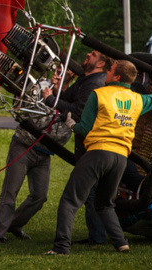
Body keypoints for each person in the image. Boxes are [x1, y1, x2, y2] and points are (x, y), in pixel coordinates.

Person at [45, 61, 152, 255]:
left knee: (69, 201)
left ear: (116, 77)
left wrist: (71, 123)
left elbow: (85, 128)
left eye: (110, 70)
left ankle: (61, 246)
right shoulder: (137, 99)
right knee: (105, 203)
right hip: (120, 158)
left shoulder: (98, 95)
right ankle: (121, 243)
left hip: (98, 153)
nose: (106, 72)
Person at [41, 50, 112, 245]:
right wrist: (58, 88)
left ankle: (98, 238)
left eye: (94, 54)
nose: (88, 54)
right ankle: (103, 237)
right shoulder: (85, 80)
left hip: (94, 146)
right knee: (92, 194)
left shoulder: (94, 84)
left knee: (89, 194)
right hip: (87, 146)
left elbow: (78, 112)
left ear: (100, 64)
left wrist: (50, 100)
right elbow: (67, 99)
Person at [0, 72, 72, 244]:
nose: (63, 75)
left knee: (40, 196)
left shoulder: (71, 97)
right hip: (23, 146)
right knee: (10, 191)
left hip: (45, 153)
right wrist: (49, 95)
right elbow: (23, 109)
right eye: (61, 71)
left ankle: (14, 224)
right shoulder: (40, 87)